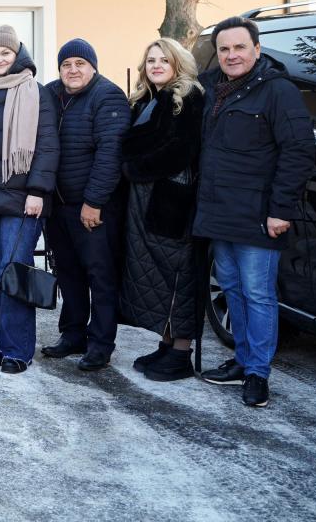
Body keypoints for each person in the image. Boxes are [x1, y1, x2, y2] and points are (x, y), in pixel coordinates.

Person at [195, 17, 314, 407]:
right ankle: (242, 360)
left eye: (239, 47)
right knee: (231, 290)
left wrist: (280, 210)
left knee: (258, 293)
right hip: (219, 211)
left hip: (258, 214)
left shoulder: (278, 91)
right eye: (225, 49)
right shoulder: (213, 88)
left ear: (257, 50)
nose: (232, 55)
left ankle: (258, 374)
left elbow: (298, 152)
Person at [0, 26, 59, 374]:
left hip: (24, 199)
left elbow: (48, 145)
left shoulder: (35, 92)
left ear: (18, 54)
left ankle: (19, 349)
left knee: (14, 270)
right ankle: (3, 343)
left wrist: (38, 191)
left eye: (5, 53)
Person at [118, 38, 206, 382]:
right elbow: (132, 144)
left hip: (172, 198)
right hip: (145, 198)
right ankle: (167, 342)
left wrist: (135, 167)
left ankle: (182, 351)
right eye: (151, 60)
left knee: (177, 273)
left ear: (177, 64)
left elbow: (180, 150)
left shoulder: (188, 97)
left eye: (163, 60)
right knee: (153, 272)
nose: (156, 65)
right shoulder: (147, 100)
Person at [42, 38, 130, 371]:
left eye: (80, 64)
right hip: (59, 204)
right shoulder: (52, 94)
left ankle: (101, 343)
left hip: (92, 206)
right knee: (68, 273)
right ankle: (73, 334)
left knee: (100, 275)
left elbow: (110, 155)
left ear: (93, 67)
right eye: (67, 64)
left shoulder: (107, 96)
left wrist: (93, 201)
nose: (73, 70)